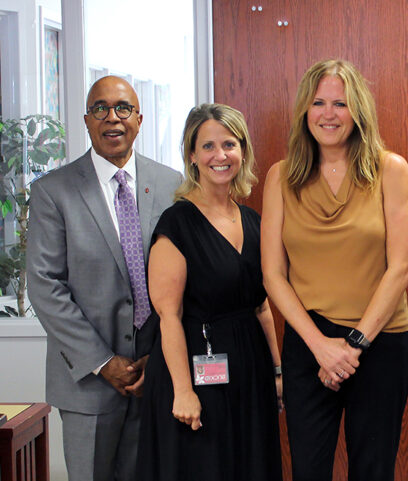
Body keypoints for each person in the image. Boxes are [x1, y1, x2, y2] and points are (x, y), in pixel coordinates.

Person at [261, 59, 408, 481]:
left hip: (379, 343)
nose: (328, 114)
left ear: (358, 112)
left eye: (341, 104)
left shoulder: (391, 170)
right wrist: (321, 347)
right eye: (319, 103)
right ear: (305, 112)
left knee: (373, 469)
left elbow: (401, 267)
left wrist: (352, 346)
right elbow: (273, 275)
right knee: (309, 470)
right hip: (309, 346)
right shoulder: (280, 178)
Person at [26, 75, 181, 481]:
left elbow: (185, 278)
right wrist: (103, 362)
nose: (112, 118)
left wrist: (162, 357)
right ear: (86, 119)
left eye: (123, 108)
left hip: (157, 375)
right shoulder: (52, 191)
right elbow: (45, 286)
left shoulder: (172, 185)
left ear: (140, 118)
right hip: (87, 384)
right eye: (100, 108)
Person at [134, 104, 283, 480]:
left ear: (243, 151)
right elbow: (168, 315)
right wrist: (183, 391)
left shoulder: (253, 220)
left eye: (229, 144)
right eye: (208, 146)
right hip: (196, 369)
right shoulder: (177, 223)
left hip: (250, 368)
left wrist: (277, 372)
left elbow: (262, 306)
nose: (220, 155)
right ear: (192, 156)